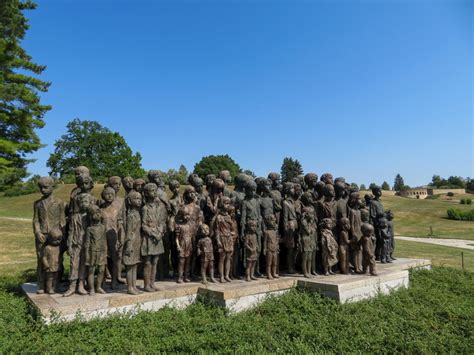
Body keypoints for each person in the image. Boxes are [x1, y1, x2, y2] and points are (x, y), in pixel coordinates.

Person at [33, 177, 66, 294]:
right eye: (41, 187)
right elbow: (36, 219)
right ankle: (42, 285)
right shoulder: (37, 204)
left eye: (46, 187)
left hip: (56, 236)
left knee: (57, 260)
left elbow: (63, 220)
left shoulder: (59, 202)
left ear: (53, 187)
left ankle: (56, 285)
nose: (43, 190)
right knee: (41, 260)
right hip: (42, 235)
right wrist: (37, 232)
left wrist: (63, 235)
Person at [64, 193, 92, 297]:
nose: (84, 204)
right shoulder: (74, 217)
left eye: (86, 202)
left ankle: (81, 285)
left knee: (83, 265)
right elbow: (70, 232)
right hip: (76, 244)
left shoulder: (91, 216)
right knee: (73, 265)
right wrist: (69, 245)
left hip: (87, 245)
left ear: (90, 203)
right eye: (82, 202)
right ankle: (71, 287)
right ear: (78, 204)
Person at [141, 183, 164, 292]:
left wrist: (160, 232)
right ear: (146, 193)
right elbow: (143, 225)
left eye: (155, 190)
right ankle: (146, 285)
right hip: (149, 238)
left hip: (158, 237)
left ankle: (152, 283)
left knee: (155, 262)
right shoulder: (145, 208)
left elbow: (161, 222)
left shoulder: (159, 207)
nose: (154, 193)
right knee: (147, 262)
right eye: (152, 191)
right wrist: (153, 234)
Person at [211, 196, 236, 283]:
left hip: (229, 238)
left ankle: (227, 275)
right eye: (226, 203)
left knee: (229, 258)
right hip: (222, 238)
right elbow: (216, 230)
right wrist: (218, 240)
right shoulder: (218, 217)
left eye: (228, 204)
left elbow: (232, 229)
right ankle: (221, 276)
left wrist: (232, 233)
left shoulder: (229, 217)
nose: (227, 205)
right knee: (222, 258)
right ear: (221, 204)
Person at [123, 190, 143, 295]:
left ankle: (134, 286)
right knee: (130, 266)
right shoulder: (130, 215)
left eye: (140, 199)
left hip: (137, 241)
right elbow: (129, 231)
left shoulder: (137, 213)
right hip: (131, 242)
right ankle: (130, 287)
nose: (139, 201)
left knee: (135, 265)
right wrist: (128, 245)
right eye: (136, 199)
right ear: (130, 201)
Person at [85, 205, 107, 296]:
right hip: (92, 252)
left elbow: (105, 240)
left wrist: (106, 251)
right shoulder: (89, 229)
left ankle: (98, 287)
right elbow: (87, 243)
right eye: (95, 214)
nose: (97, 215)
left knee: (101, 270)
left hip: (102, 251)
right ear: (90, 216)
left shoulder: (103, 227)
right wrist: (87, 254)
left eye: (98, 213)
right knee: (91, 270)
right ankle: (91, 289)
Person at [175, 207, 194, 283]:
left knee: (188, 262)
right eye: (185, 215)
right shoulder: (178, 226)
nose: (187, 217)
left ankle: (186, 276)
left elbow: (191, 237)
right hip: (182, 245)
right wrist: (178, 246)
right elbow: (176, 238)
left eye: (188, 215)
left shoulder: (190, 226)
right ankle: (180, 277)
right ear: (181, 216)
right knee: (181, 262)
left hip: (189, 245)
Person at [263, 214, 279, 279]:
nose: (273, 223)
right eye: (272, 221)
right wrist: (264, 249)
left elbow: (276, 240)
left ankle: (274, 273)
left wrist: (277, 246)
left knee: (274, 262)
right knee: (269, 263)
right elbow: (264, 241)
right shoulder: (267, 232)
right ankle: (268, 273)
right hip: (269, 248)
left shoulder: (275, 232)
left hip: (274, 248)